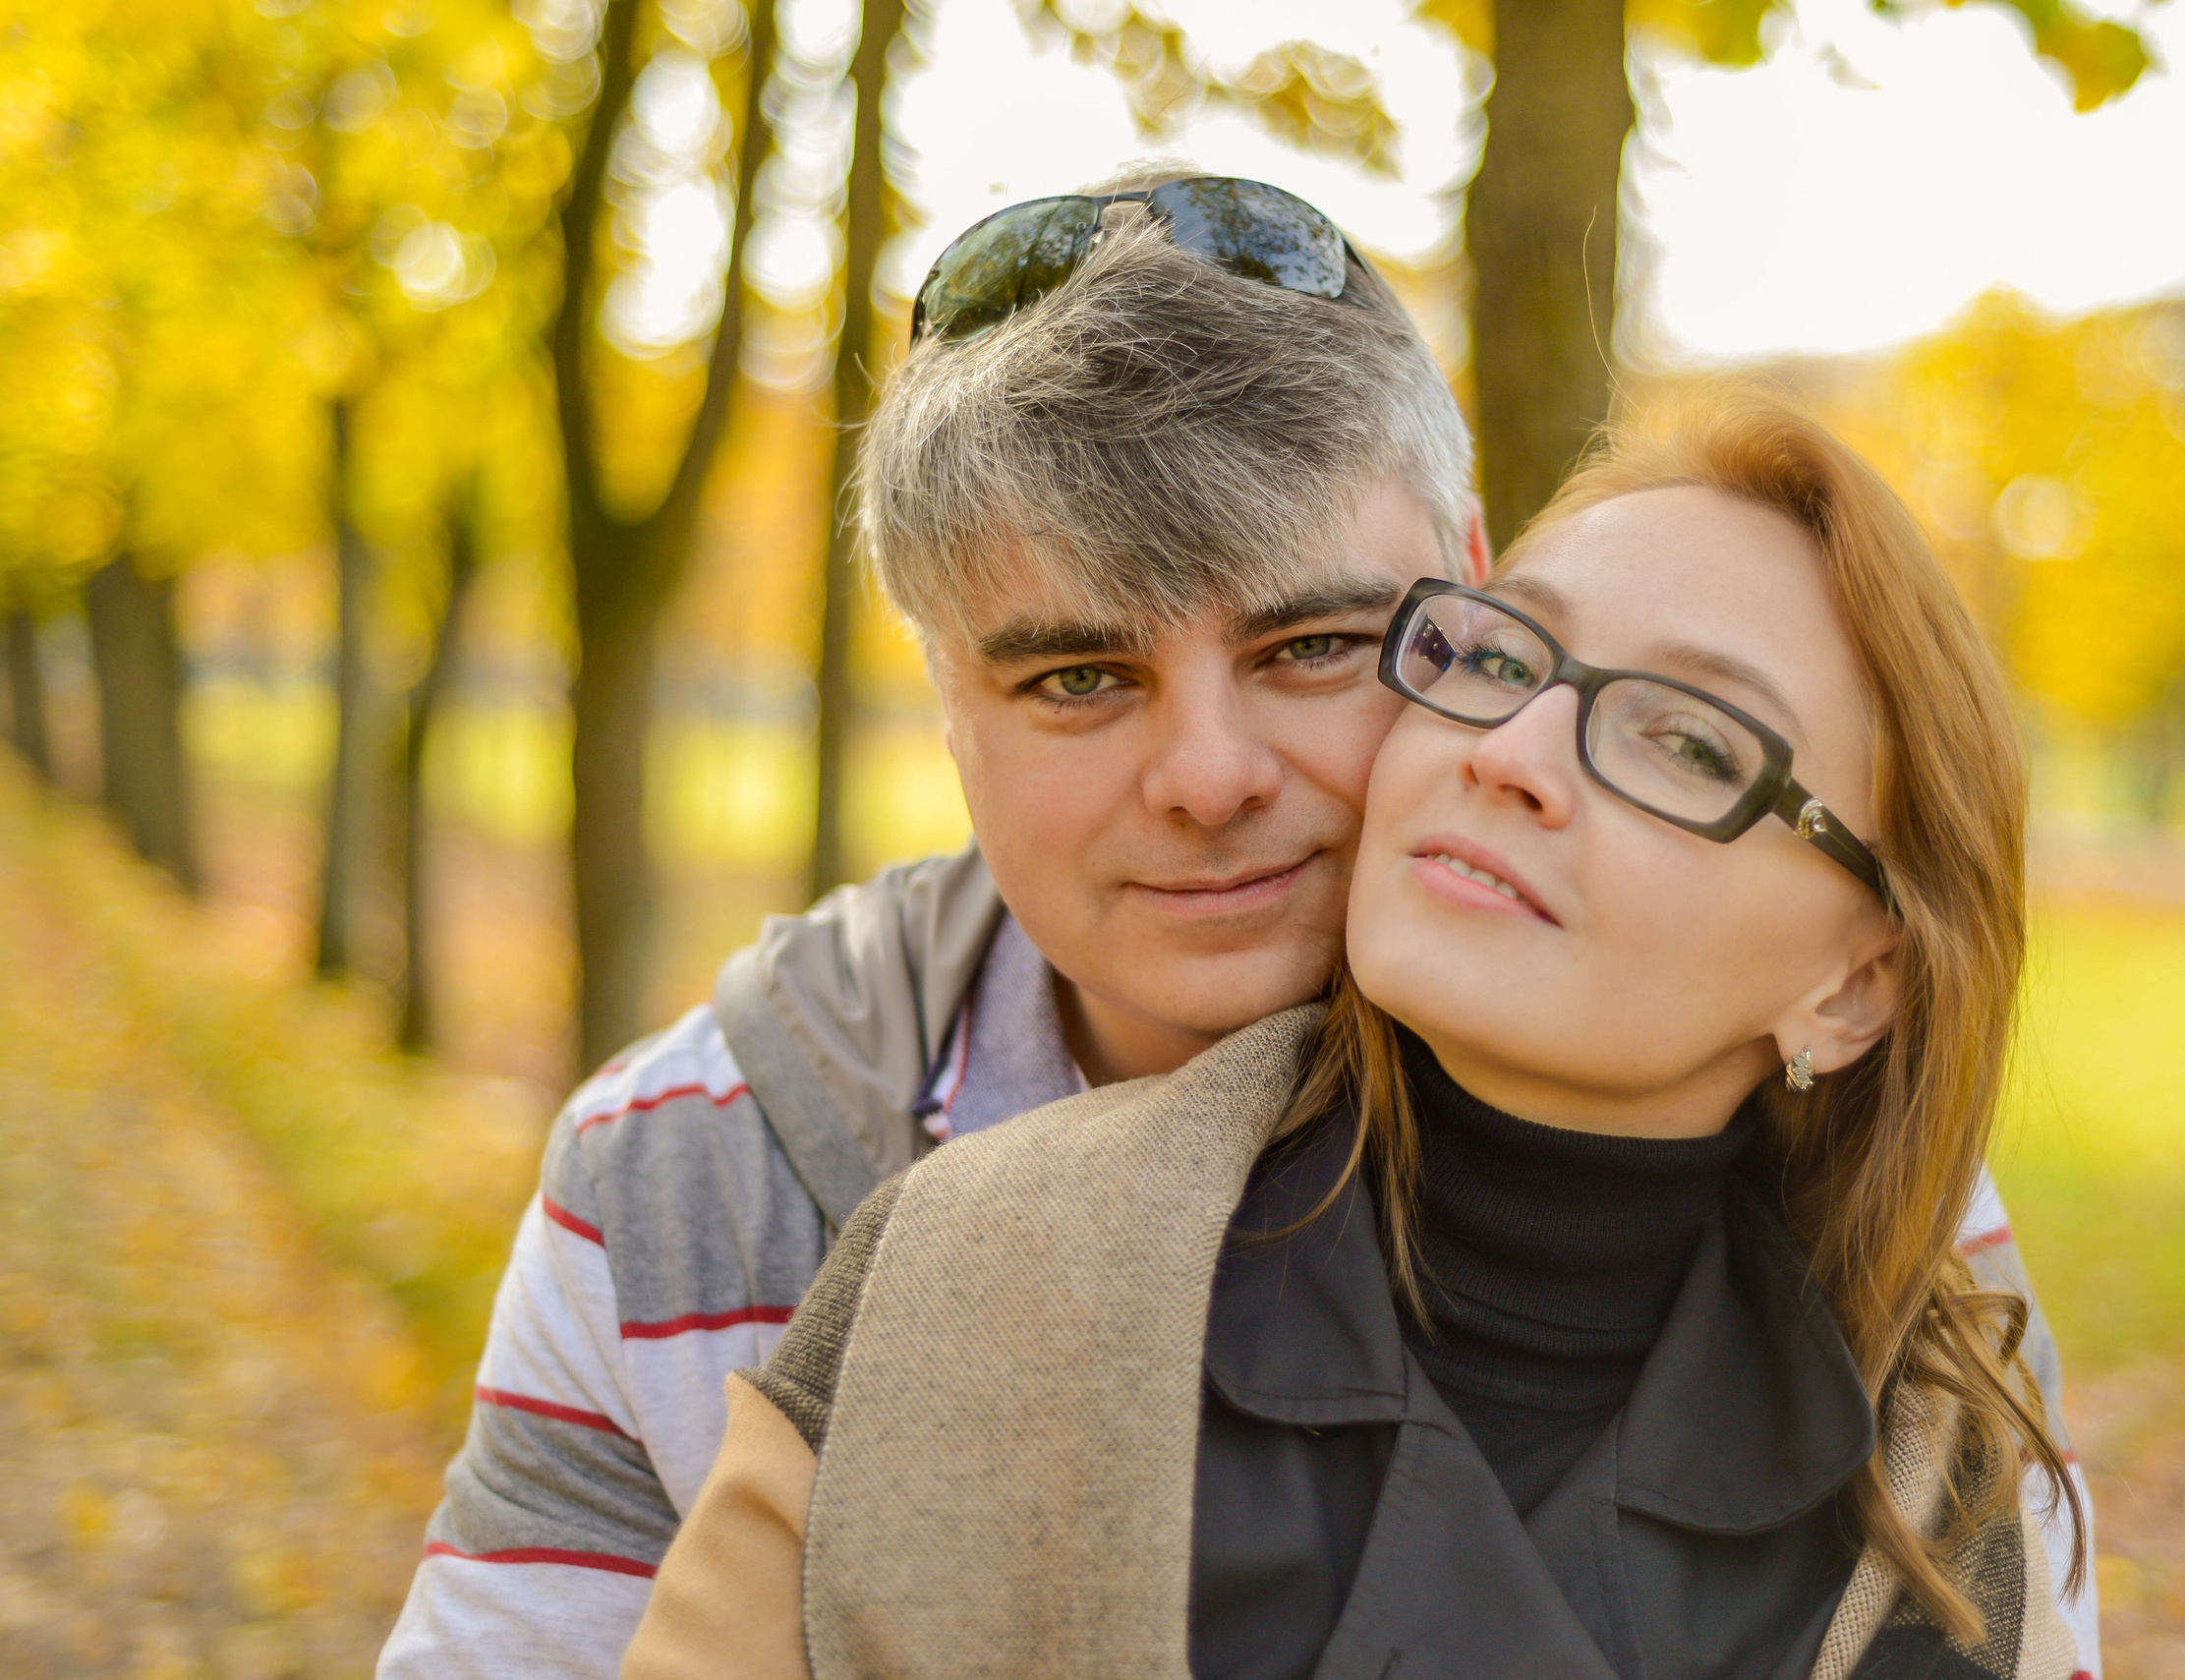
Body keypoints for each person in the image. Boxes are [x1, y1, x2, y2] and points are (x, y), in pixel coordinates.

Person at [378, 173, 2093, 1678]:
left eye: (1314, 647)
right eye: (1076, 677)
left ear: (1464, 595)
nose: (1207, 779)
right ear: (946, 706)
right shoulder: (685, 1181)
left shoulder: (1869, 1248)